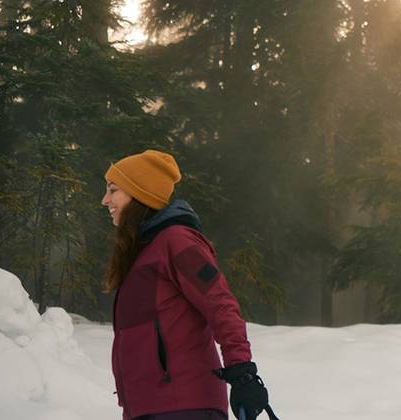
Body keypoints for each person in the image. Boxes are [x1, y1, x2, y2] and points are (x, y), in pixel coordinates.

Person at [101, 150, 278, 420]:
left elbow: (220, 302)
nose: (105, 200)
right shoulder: (145, 252)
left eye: (113, 190)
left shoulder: (177, 241)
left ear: (140, 194)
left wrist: (242, 370)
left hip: (183, 405)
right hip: (149, 408)